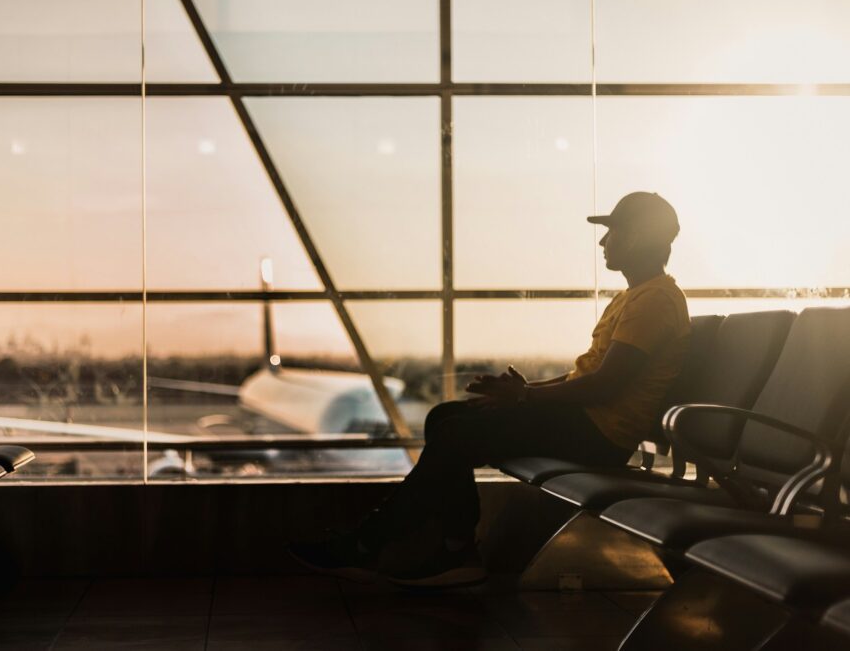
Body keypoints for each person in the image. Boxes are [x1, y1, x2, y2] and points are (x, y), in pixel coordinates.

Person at [290, 191, 691, 587]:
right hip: (586, 422)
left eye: (612, 231)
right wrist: (522, 391)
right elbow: (585, 378)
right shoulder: (635, 297)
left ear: (636, 237)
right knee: (445, 416)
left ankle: (370, 545)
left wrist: (526, 398)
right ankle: (455, 549)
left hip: (599, 435)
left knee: (455, 432)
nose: (603, 242)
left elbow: (605, 386)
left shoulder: (654, 300)